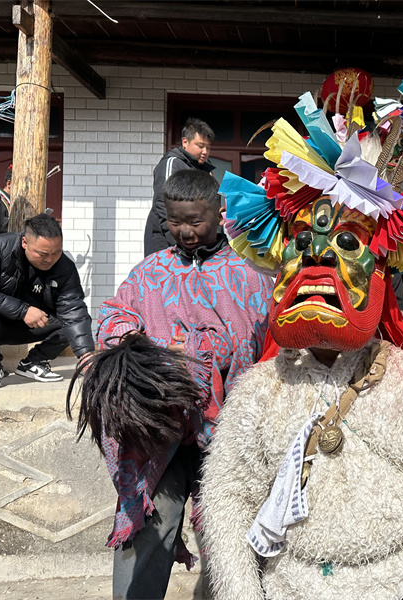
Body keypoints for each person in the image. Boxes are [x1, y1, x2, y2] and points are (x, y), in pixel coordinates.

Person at [201, 94, 403, 600]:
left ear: (382, 269)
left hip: (400, 584)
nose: (317, 256)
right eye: (301, 243)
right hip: (293, 588)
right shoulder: (258, 390)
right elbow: (227, 502)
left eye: (348, 244)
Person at [95, 169, 273, 599]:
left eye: (195, 220)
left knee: (229, 533)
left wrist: (204, 353)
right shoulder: (150, 272)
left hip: (230, 432)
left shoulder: (249, 272)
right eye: (175, 221)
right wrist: (138, 345)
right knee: (151, 524)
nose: (186, 231)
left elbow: (262, 342)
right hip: (161, 430)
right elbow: (115, 314)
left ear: (218, 212)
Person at [0, 213, 93, 388]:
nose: (50, 259)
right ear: (24, 242)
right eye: (42, 254)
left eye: (56, 252)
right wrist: (23, 311)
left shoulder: (65, 268)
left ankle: (32, 363)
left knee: (73, 323)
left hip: (32, 325)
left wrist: (86, 355)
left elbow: (73, 311)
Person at [144, 117, 215, 257]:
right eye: (200, 146)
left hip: (193, 241)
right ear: (185, 142)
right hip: (167, 241)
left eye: (208, 147)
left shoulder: (204, 170)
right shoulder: (172, 163)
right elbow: (163, 203)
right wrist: (177, 241)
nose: (205, 151)